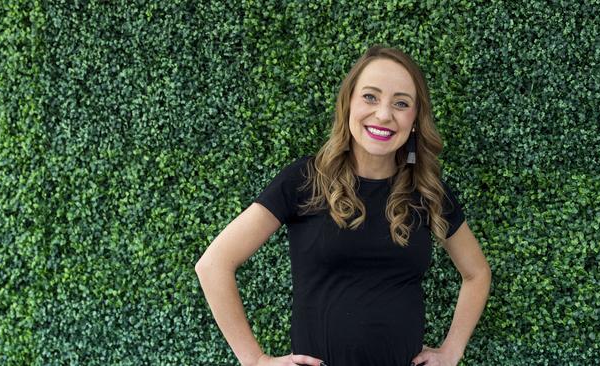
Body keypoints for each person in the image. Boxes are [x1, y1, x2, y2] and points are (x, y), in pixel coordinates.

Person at [195, 45, 491, 366]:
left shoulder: (428, 191)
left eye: (401, 103)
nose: (383, 114)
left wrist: (452, 350)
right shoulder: (305, 179)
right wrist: (255, 360)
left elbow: (477, 273)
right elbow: (213, 265)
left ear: (416, 120)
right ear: (348, 102)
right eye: (370, 97)